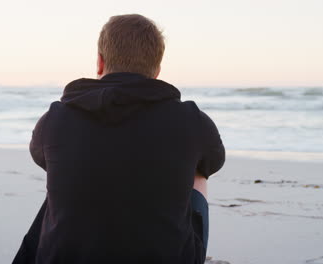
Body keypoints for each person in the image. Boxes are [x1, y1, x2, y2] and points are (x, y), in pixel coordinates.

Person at [12, 14, 225, 264]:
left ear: (99, 63)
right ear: (157, 70)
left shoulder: (56, 118)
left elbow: (41, 158)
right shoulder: (192, 120)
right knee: (199, 169)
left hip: (66, 257)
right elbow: (214, 163)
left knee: (68, 177)